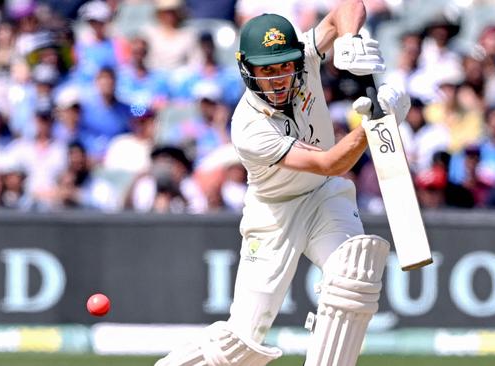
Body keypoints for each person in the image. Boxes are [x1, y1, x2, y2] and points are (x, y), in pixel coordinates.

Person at [154, 1, 410, 365]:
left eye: (284, 66)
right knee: (241, 342)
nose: (278, 78)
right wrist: (376, 125)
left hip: (324, 197)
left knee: (355, 272)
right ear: (246, 69)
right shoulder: (248, 127)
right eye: (266, 70)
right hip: (274, 213)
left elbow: (348, 6)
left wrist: (350, 39)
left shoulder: (304, 59)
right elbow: (327, 162)